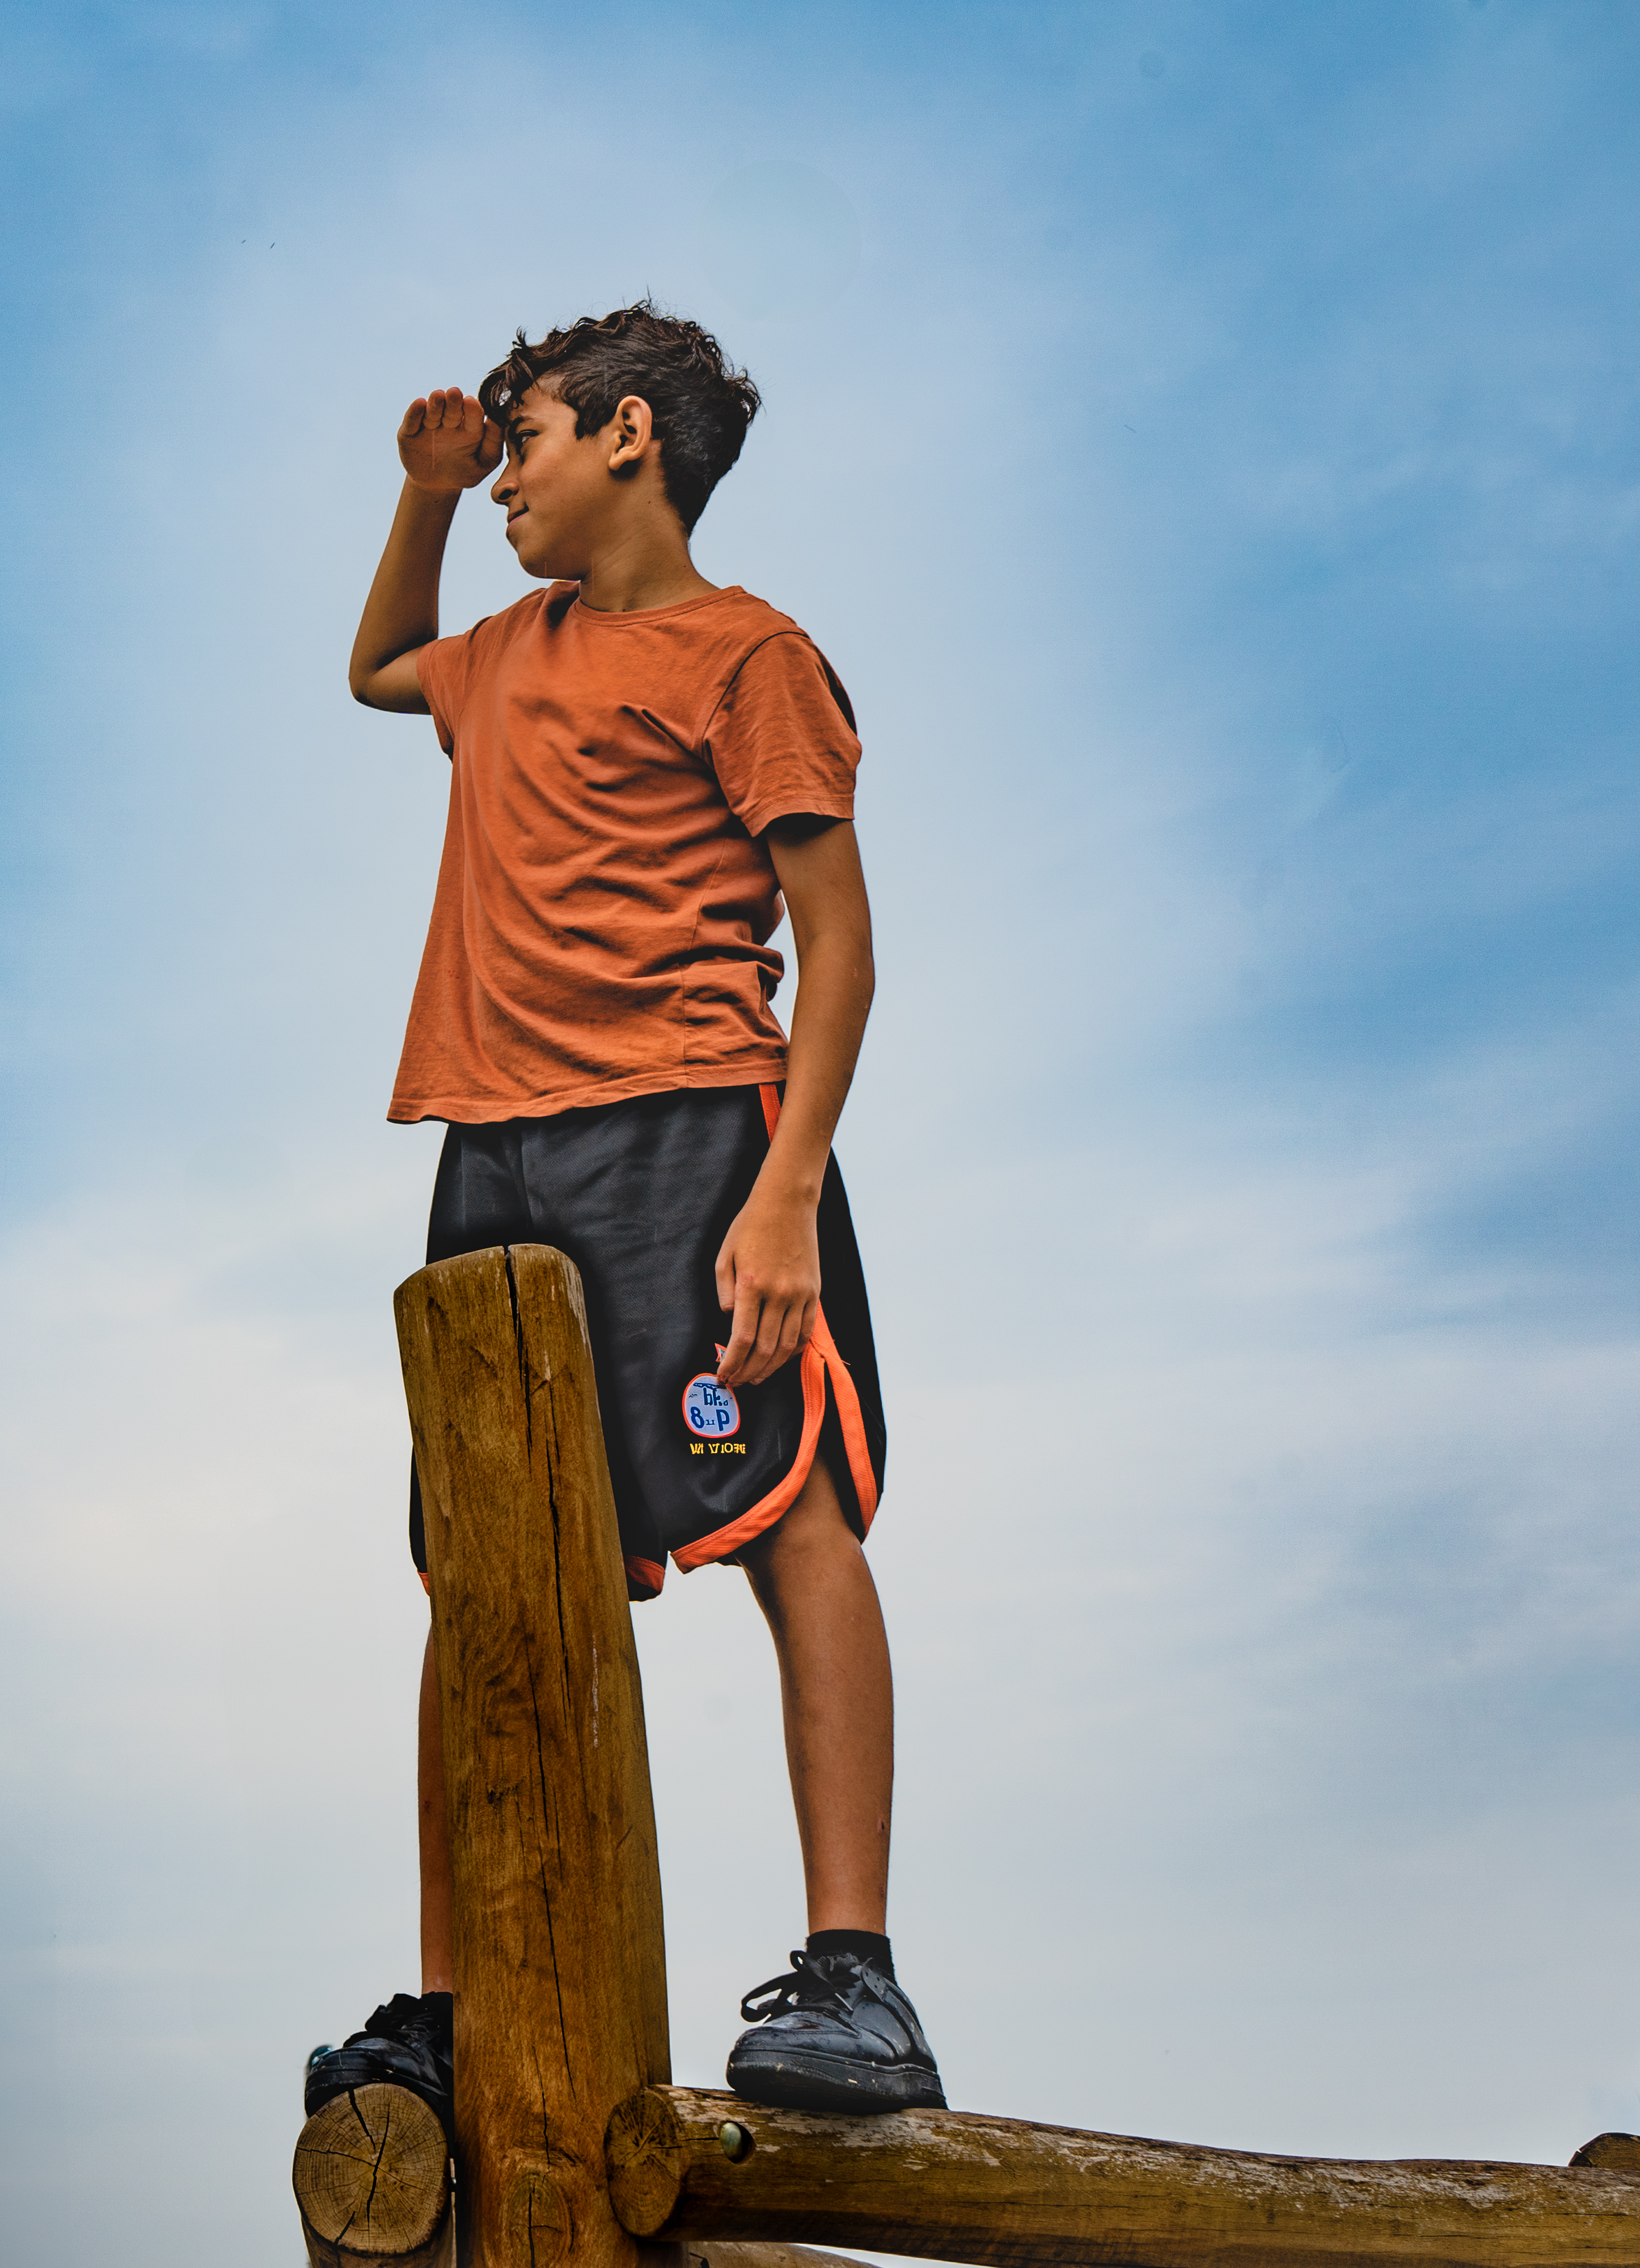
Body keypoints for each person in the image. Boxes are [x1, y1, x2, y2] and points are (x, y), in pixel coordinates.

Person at [301, 299, 941, 2124]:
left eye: (526, 445)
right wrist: (427, 496)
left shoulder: (751, 658)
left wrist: (786, 1198)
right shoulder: (502, 652)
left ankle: (858, 1978)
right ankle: (452, 2007)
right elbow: (377, 666)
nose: (508, 478)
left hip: (694, 1134)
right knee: (477, 1571)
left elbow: (842, 947)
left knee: (791, 1509)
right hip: (492, 1156)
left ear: (629, 439)